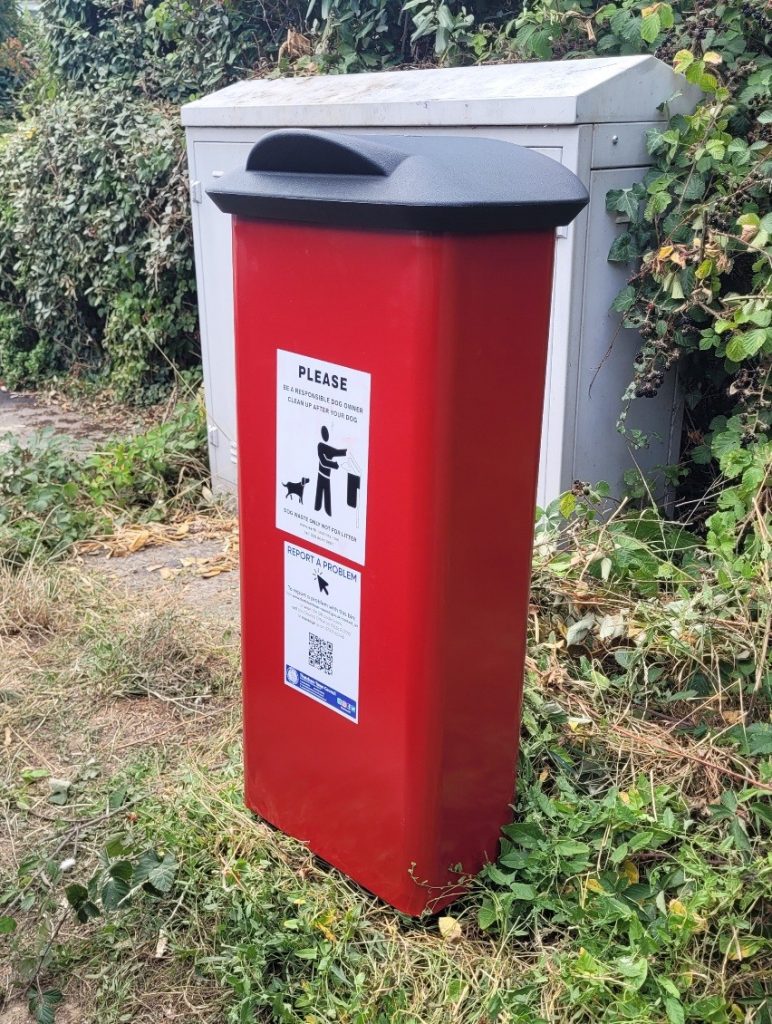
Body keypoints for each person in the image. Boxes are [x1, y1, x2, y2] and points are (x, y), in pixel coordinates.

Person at [315, 426, 347, 517]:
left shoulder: (327, 448)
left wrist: (349, 450)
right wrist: (334, 465)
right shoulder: (320, 446)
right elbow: (323, 461)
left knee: (327, 498)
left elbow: (338, 452)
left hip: (327, 477)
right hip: (321, 474)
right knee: (319, 499)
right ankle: (318, 510)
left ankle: (327, 513)